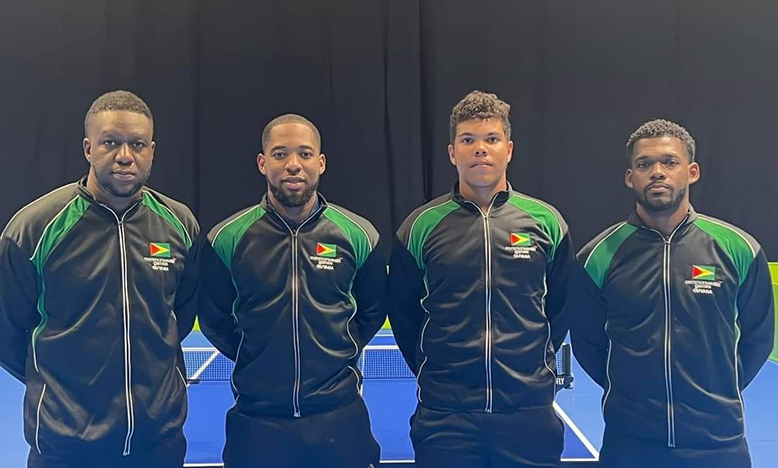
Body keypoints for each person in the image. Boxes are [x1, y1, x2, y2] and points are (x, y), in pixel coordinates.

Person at [0, 90, 202, 468]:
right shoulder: (34, 229)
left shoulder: (180, 225)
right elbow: (8, 332)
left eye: (138, 144)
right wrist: (61, 396)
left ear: (152, 151)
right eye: (111, 142)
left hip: (157, 444)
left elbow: (181, 310)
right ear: (88, 148)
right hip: (65, 449)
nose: (125, 155)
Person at [570, 119, 774, 467]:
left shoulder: (738, 248)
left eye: (669, 162)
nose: (657, 172)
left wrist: (719, 388)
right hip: (630, 444)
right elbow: (588, 344)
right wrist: (628, 395)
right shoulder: (598, 256)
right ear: (629, 177)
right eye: (644, 164)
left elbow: (758, 338)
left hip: (718, 443)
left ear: (692, 171)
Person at [389, 90, 575, 468]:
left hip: (528, 414)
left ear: (508, 149)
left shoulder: (546, 223)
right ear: (451, 152)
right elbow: (405, 316)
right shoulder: (420, 227)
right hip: (446, 417)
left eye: (491, 139)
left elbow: (560, 308)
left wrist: (529, 368)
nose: (480, 149)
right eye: (468, 140)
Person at [199, 114, 386, 468]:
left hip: (340, 417)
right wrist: (255, 358)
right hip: (256, 422)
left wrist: (337, 352)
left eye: (304, 153)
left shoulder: (359, 235)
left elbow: (372, 311)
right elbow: (213, 318)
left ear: (321, 162)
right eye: (280, 154)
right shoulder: (226, 238)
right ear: (262, 162)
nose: (293, 165)